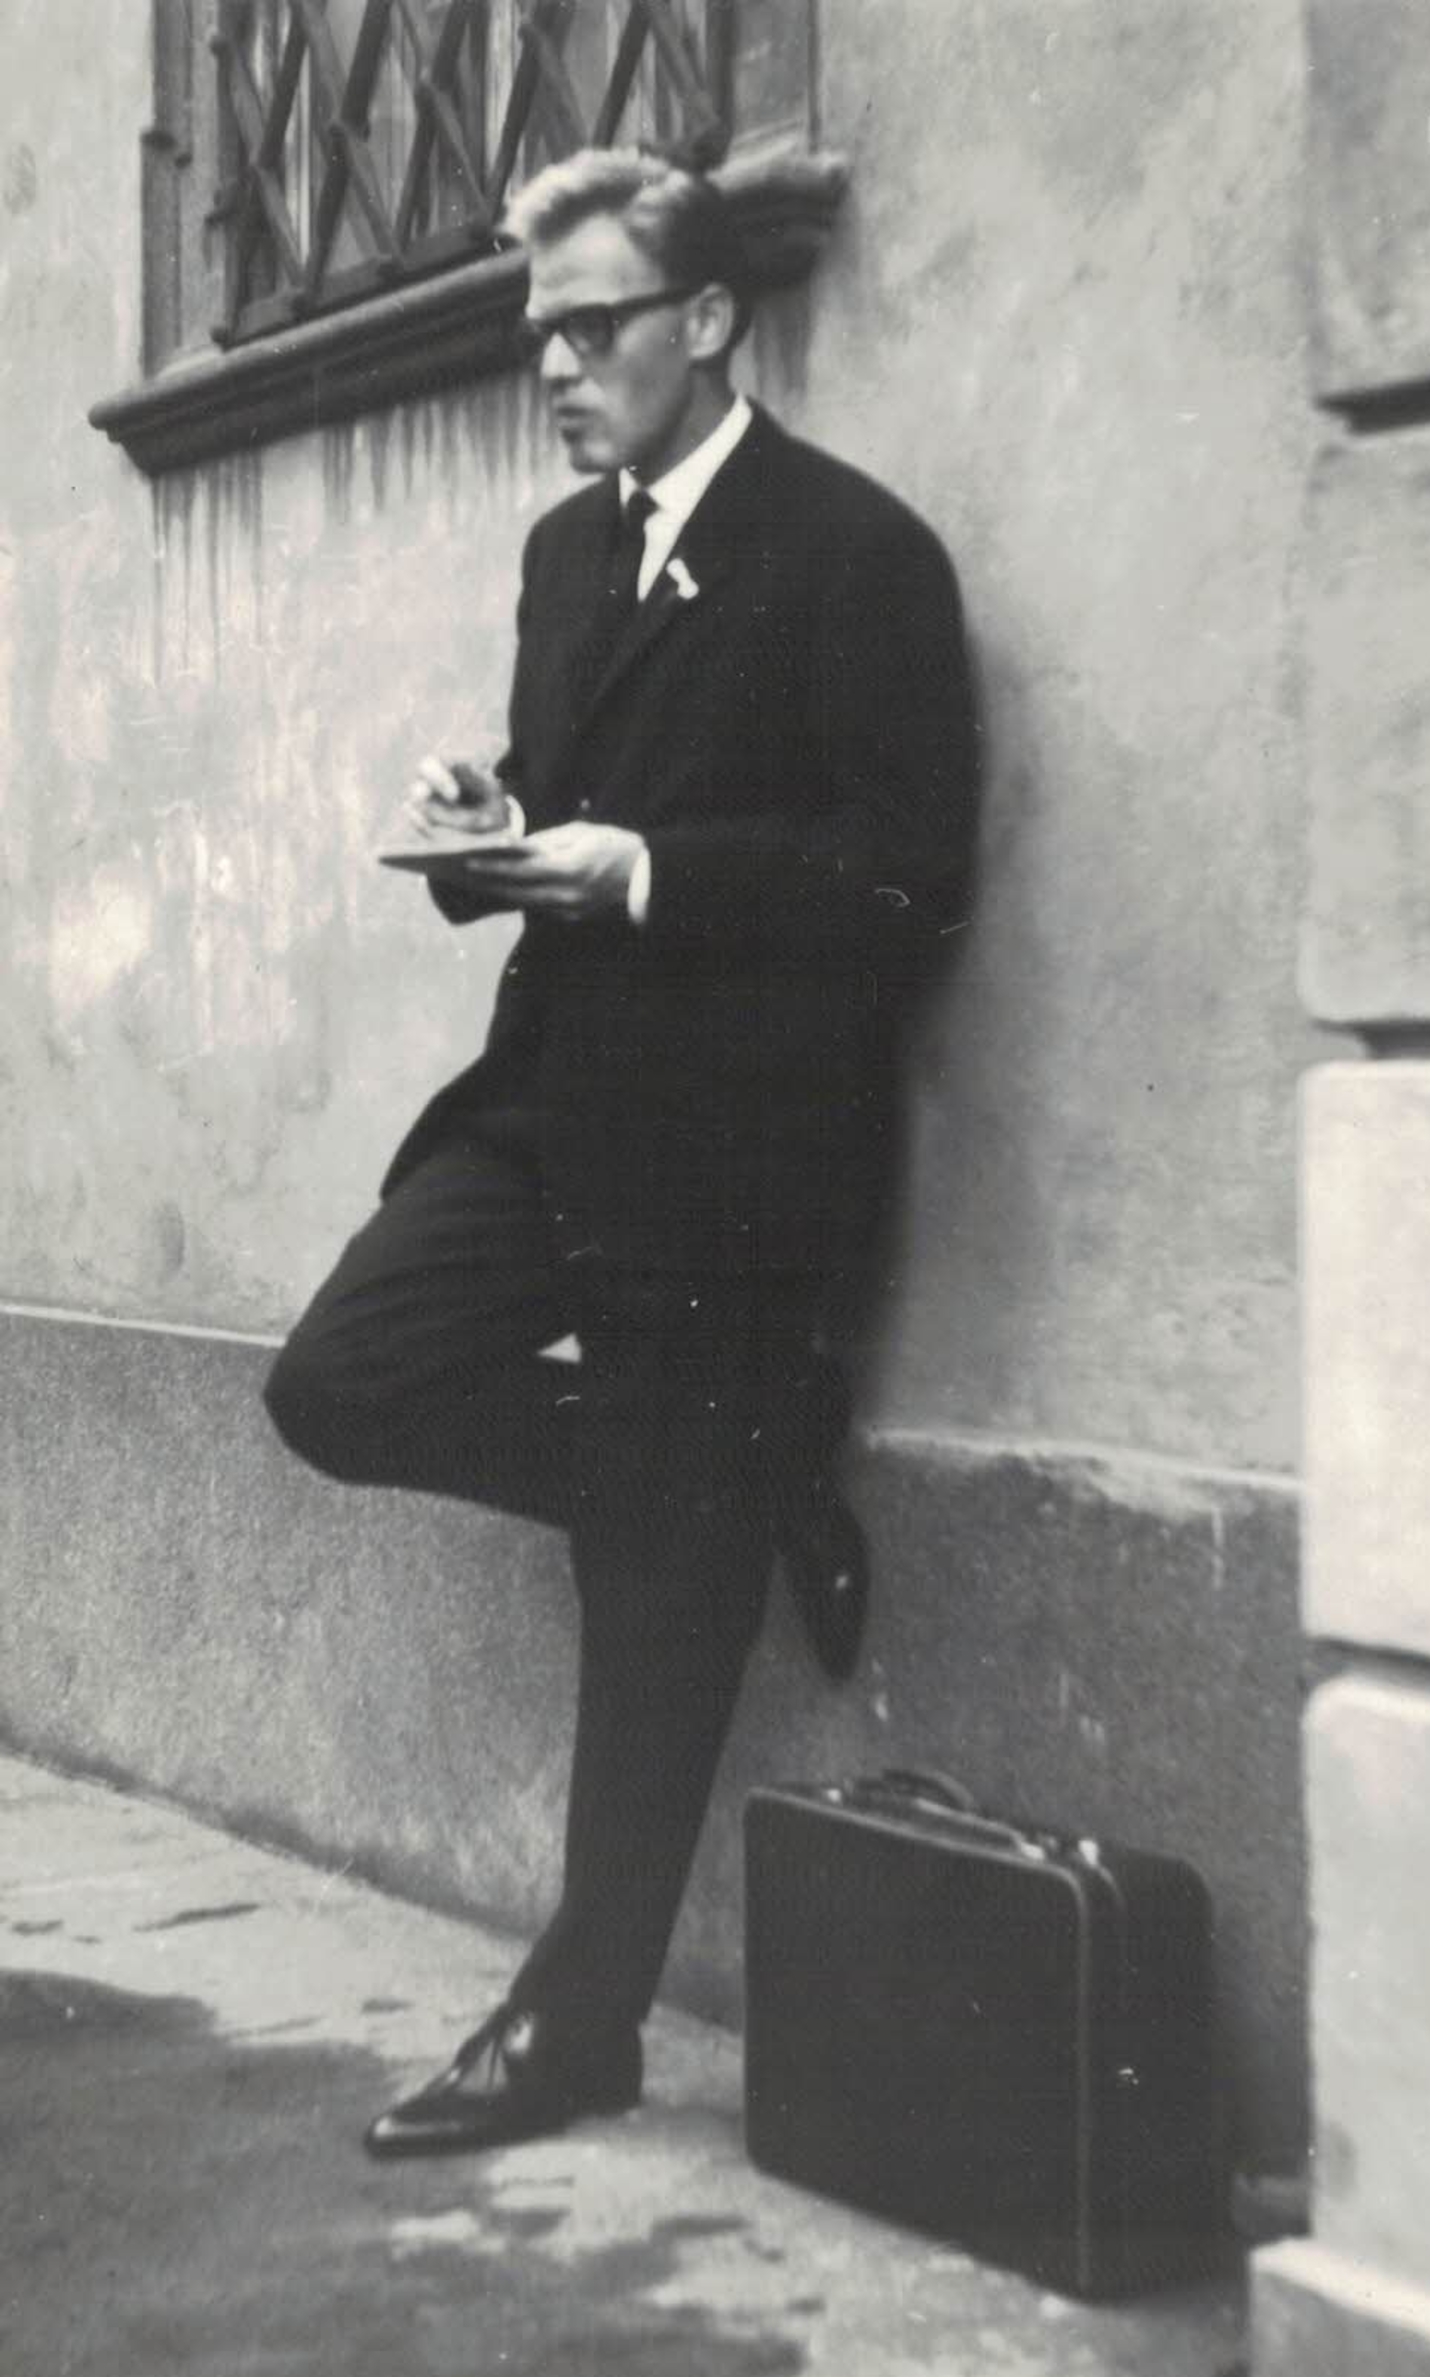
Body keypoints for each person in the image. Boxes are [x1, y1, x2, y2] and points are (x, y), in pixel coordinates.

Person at [263, 147, 979, 2158]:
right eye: (541, 332)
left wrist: (650, 870)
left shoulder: (856, 553)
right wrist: (483, 823)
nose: (555, 367)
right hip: (550, 1106)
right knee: (340, 1380)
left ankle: (577, 2027)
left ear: (711, 320)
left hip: (738, 1159)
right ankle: (734, 1486)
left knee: (654, 1598)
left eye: (592, 326)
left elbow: (911, 878)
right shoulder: (564, 554)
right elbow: (566, 811)